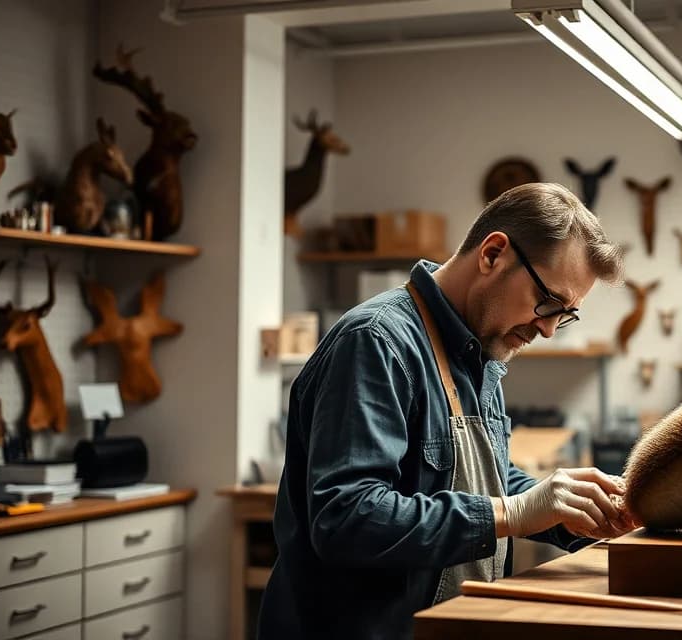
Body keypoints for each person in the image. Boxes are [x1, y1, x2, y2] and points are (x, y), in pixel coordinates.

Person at [258, 183, 636, 640]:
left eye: (566, 314)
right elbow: (347, 517)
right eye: (548, 302)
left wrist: (567, 508)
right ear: (493, 254)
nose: (550, 329)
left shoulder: (480, 349)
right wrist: (514, 511)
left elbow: (476, 476)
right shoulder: (377, 342)